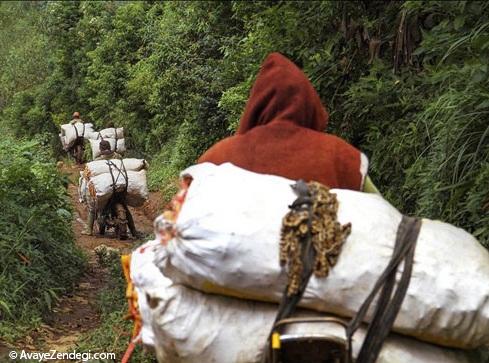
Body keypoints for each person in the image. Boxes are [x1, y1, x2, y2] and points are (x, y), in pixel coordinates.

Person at [198, 52, 378, 193]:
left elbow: (178, 224)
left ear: (255, 105)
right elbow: (384, 218)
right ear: (310, 104)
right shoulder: (343, 158)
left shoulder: (215, 160)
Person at [81, 140, 138, 238]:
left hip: (106, 188)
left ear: (100, 149)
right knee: (126, 208)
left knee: (93, 207)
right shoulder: (118, 157)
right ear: (110, 147)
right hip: (120, 186)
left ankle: (88, 229)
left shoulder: (98, 160)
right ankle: (134, 231)